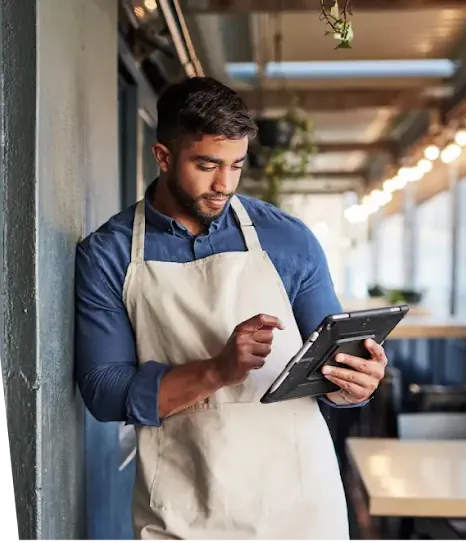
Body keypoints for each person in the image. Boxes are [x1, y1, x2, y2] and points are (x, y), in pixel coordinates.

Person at [75, 76, 388, 542]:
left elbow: (333, 362)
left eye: (236, 166)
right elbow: (103, 390)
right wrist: (218, 369)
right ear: (163, 156)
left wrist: (355, 385)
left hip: (298, 504)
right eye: (207, 165)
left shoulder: (289, 239)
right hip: (183, 503)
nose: (224, 185)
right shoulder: (110, 253)